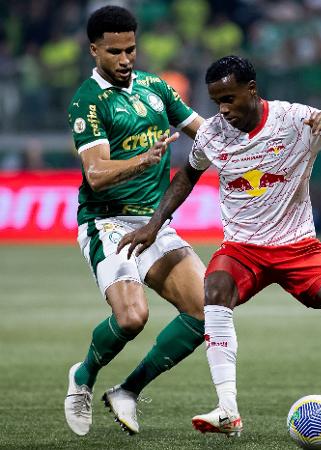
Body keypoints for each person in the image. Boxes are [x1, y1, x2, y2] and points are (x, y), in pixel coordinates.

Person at [117, 55, 321, 437]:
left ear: (251, 90)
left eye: (230, 98)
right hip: (243, 248)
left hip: (298, 245)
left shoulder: (292, 119)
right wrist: (154, 226)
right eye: (216, 101)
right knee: (214, 291)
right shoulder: (212, 134)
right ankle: (227, 409)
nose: (223, 109)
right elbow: (186, 177)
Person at [64, 6, 206, 436]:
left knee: (207, 310)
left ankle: (127, 390)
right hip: (107, 222)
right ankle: (83, 376)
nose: (126, 59)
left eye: (131, 49)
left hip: (154, 222)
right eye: (115, 51)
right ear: (94, 50)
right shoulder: (88, 102)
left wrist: (259, 146)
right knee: (131, 318)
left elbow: (204, 131)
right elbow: (97, 174)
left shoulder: (155, 87)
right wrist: (143, 160)